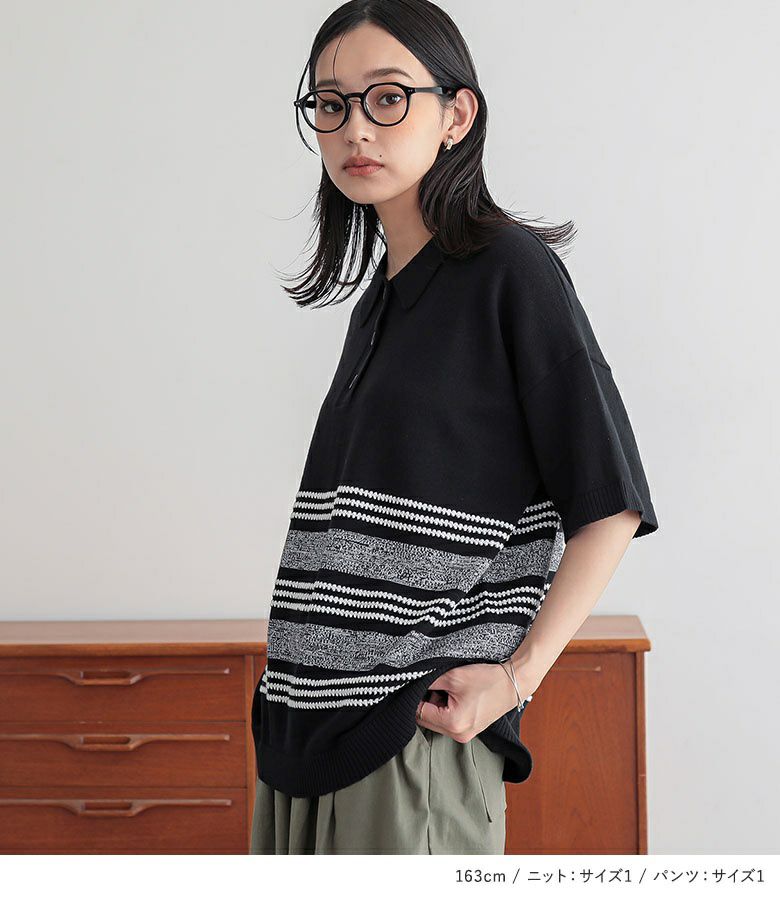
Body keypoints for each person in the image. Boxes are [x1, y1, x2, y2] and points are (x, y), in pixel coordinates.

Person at [250, 0, 659, 855]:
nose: (356, 128)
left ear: (456, 115)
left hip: (409, 741)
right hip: (303, 733)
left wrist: (515, 678)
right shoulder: (381, 300)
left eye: (387, 97)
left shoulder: (510, 273)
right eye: (330, 104)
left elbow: (610, 503)